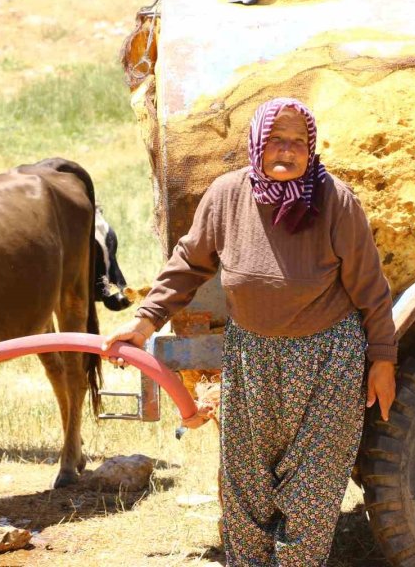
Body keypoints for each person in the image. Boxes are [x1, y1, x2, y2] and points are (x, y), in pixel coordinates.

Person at [102, 97, 397, 566]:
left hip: (328, 359)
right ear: (257, 143)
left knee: (311, 490)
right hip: (250, 356)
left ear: (311, 148)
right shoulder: (227, 195)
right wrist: (144, 320)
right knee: (246, 485)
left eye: (298, 142)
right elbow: (188, 264)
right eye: (276, 139)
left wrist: (382, 358)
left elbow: (370, 287)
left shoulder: (334, 200)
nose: (287, 151)